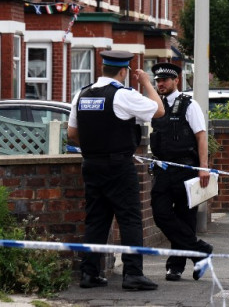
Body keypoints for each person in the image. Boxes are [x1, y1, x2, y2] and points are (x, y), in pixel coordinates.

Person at [67, 50, 164, 291]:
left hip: (91, 164)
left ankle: (89, 274)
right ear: (123, 71)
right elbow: (159, 110)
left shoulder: (81, 94)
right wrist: (147, 84)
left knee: (96, 221)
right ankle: (132, 274)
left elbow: (71, 134)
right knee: (129, 218)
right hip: (118, 165)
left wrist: (94, 148)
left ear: (103, 68)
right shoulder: (122, 95)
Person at [149, 62, 214, 282]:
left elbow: (201, 136)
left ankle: (175, 267)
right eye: (157, 80)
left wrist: (203, 167)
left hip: (186, 168)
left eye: (165, 80)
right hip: (162, 168)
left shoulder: (189, 105)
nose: (161, 84)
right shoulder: (155, 106)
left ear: (176, 80)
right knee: (161, 214)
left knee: (185, 218)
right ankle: (200, 251)